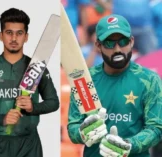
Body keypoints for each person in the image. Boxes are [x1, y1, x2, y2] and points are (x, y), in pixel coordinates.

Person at [67, 14, 162, 157]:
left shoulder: (149, 80)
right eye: (109, 43)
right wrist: (82, 132)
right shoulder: (86, 81)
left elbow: (156, 128)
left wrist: (129, 145)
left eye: (123, 42)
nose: (117, 49)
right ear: (98, 45)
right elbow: (72, 128)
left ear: (131, 42)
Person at [0, 8, 59, 157]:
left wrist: (33, 107)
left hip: (29, 144)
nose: (14, 38)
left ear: (26, 37)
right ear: (1, 35)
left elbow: (54, 102)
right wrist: (2, 119)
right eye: (9, 32)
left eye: (19, 33)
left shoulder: (37, 67)